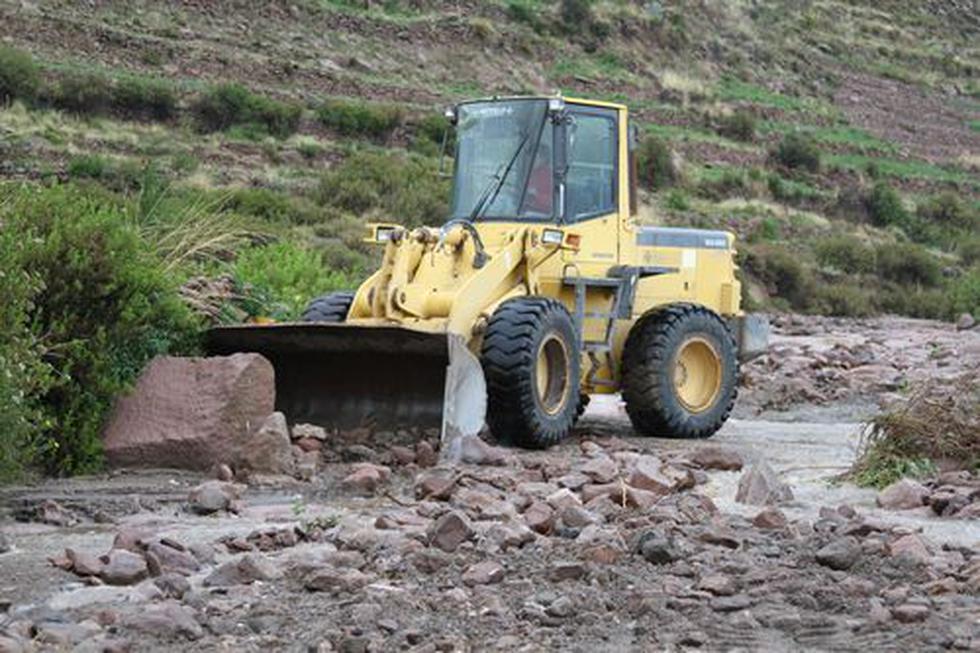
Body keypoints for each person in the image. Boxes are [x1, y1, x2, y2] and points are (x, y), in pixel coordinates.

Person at [522, 142, 553, 215]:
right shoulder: (530, 173)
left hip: (541, 213)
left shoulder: (550, 176)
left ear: (544, 159)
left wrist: (536, 194)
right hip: (526, 209)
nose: (531, 160)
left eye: (535, 157)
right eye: (530, 156)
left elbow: (552, 201)